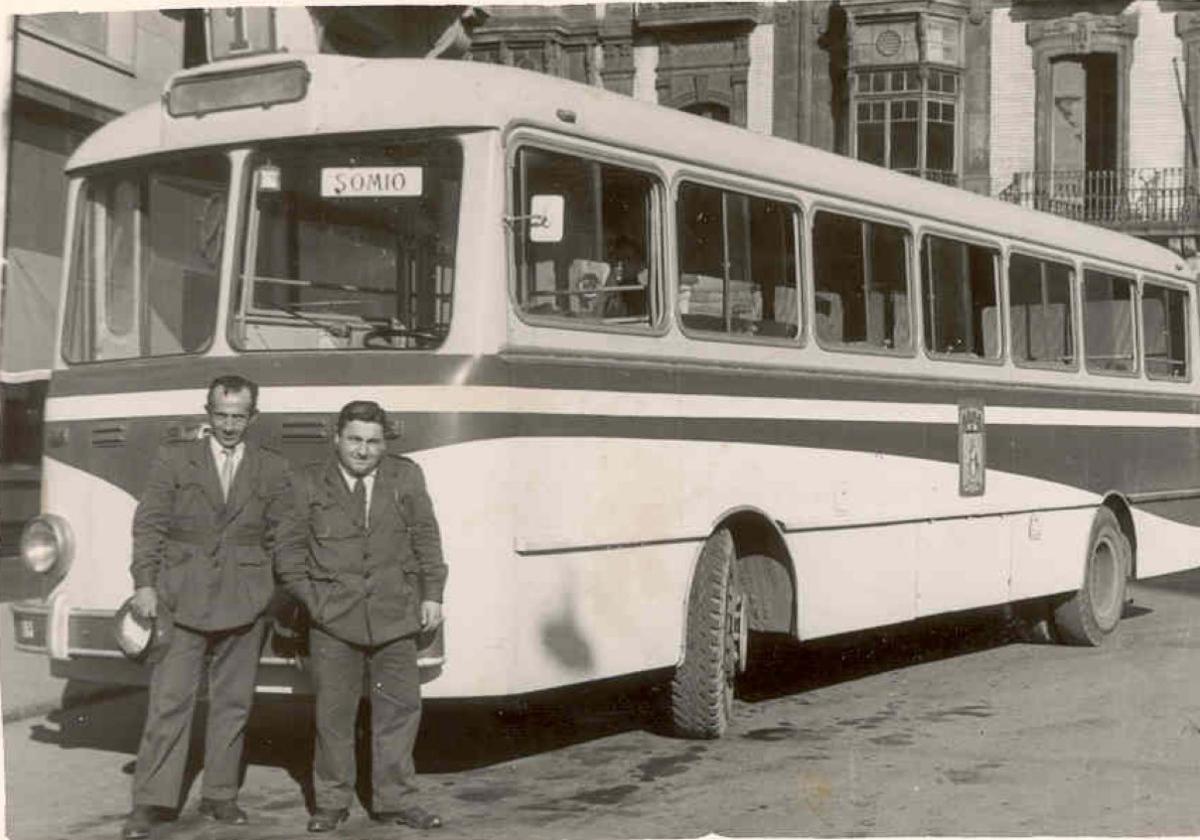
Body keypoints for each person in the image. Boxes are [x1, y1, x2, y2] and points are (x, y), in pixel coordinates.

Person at [122, 374, 304, 840]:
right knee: (169, 702)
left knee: (233, 702)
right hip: (180, 596)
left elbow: (285, 533)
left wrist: (284, 594)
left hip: (246, 599)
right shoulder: (174, 458)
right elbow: (149, 526)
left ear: (252, 417)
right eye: (221, 414)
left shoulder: (272, 467)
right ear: (208, 413)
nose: (229, 424)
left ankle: (221, 795)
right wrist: (144, 584)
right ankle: (152, 802)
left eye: (238, 416)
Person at [280, 400, 448, 833]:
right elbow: (288, 550)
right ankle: (331, 803)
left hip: (394, 613)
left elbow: (427, 536)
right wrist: (314, 602)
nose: (362, 450)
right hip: (334, 619)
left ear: (384, 444)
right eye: (354, 439)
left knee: (399, 711)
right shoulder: (307, 482)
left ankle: (396, 800)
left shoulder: (405, 476)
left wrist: (432, 594)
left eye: (373, 442)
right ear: (336, 438)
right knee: (333, 715)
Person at [602, 235, 648, 318]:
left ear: (639, 263)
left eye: (628, 259)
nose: (622, 265)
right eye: (619, 259)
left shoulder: (642, 288)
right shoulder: (608, 283)